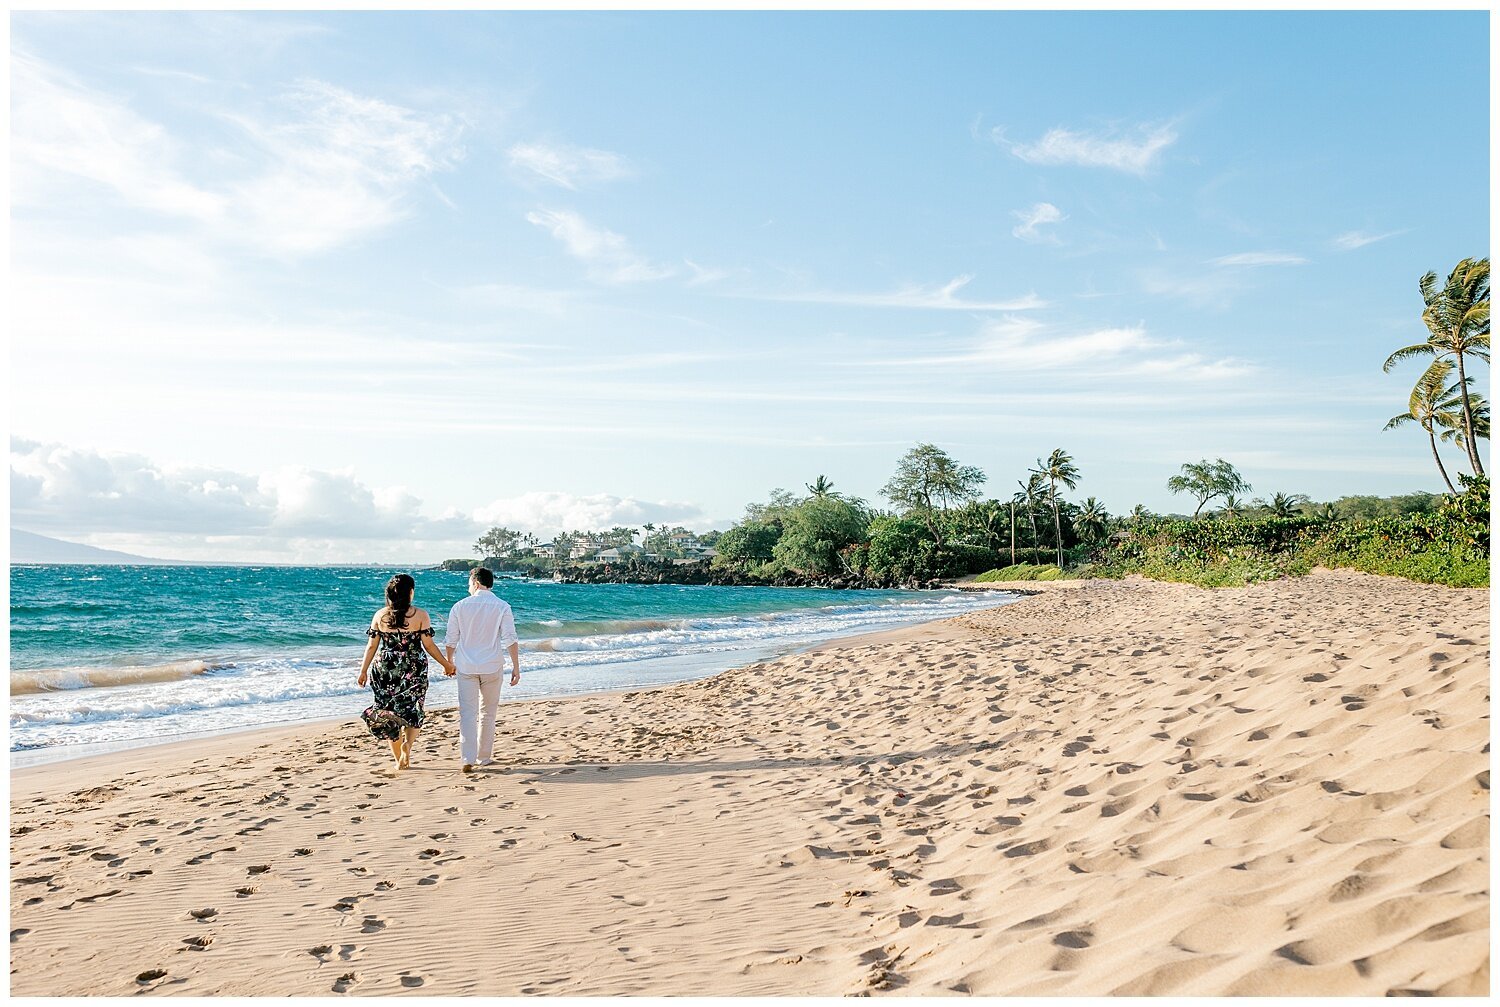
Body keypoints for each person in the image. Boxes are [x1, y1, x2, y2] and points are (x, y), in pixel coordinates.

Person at [357, 573, 454, 770]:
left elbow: (371, 647)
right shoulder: (420, 615)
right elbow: (428, 645)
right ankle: (407, 745)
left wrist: (363, 671)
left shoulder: (380, 616)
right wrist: (446, 664)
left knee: (388, 713)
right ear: (410, 592)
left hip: (384, 668)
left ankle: (397, 760)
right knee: (414, 710)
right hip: (413, 668)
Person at [443, 567, 521, 773]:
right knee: (488, 712)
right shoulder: (502, 606)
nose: (469, 588)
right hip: (492, 665)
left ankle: (467, 758)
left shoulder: (459, 607)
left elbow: (451, 640)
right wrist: (516, 666)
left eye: (470, 583)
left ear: (476, 583)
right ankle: (483, 757)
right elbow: (510, 639)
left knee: (468, 713)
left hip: (466, 666)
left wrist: (449, 662)